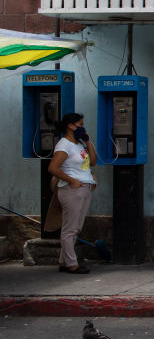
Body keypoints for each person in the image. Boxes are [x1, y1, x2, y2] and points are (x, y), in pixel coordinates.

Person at [47, 112, 98, 274]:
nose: (83, 128)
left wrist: (88, 140)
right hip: (72, 189)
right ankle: (72, 264)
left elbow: (94, 161)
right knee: (70, 229)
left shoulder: (79, 144)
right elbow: (53, 168)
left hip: (84, 187)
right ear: (71, 126)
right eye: (80, 125)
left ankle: (64, 261)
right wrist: (72, 181)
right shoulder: (64, 145)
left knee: (76, 227)